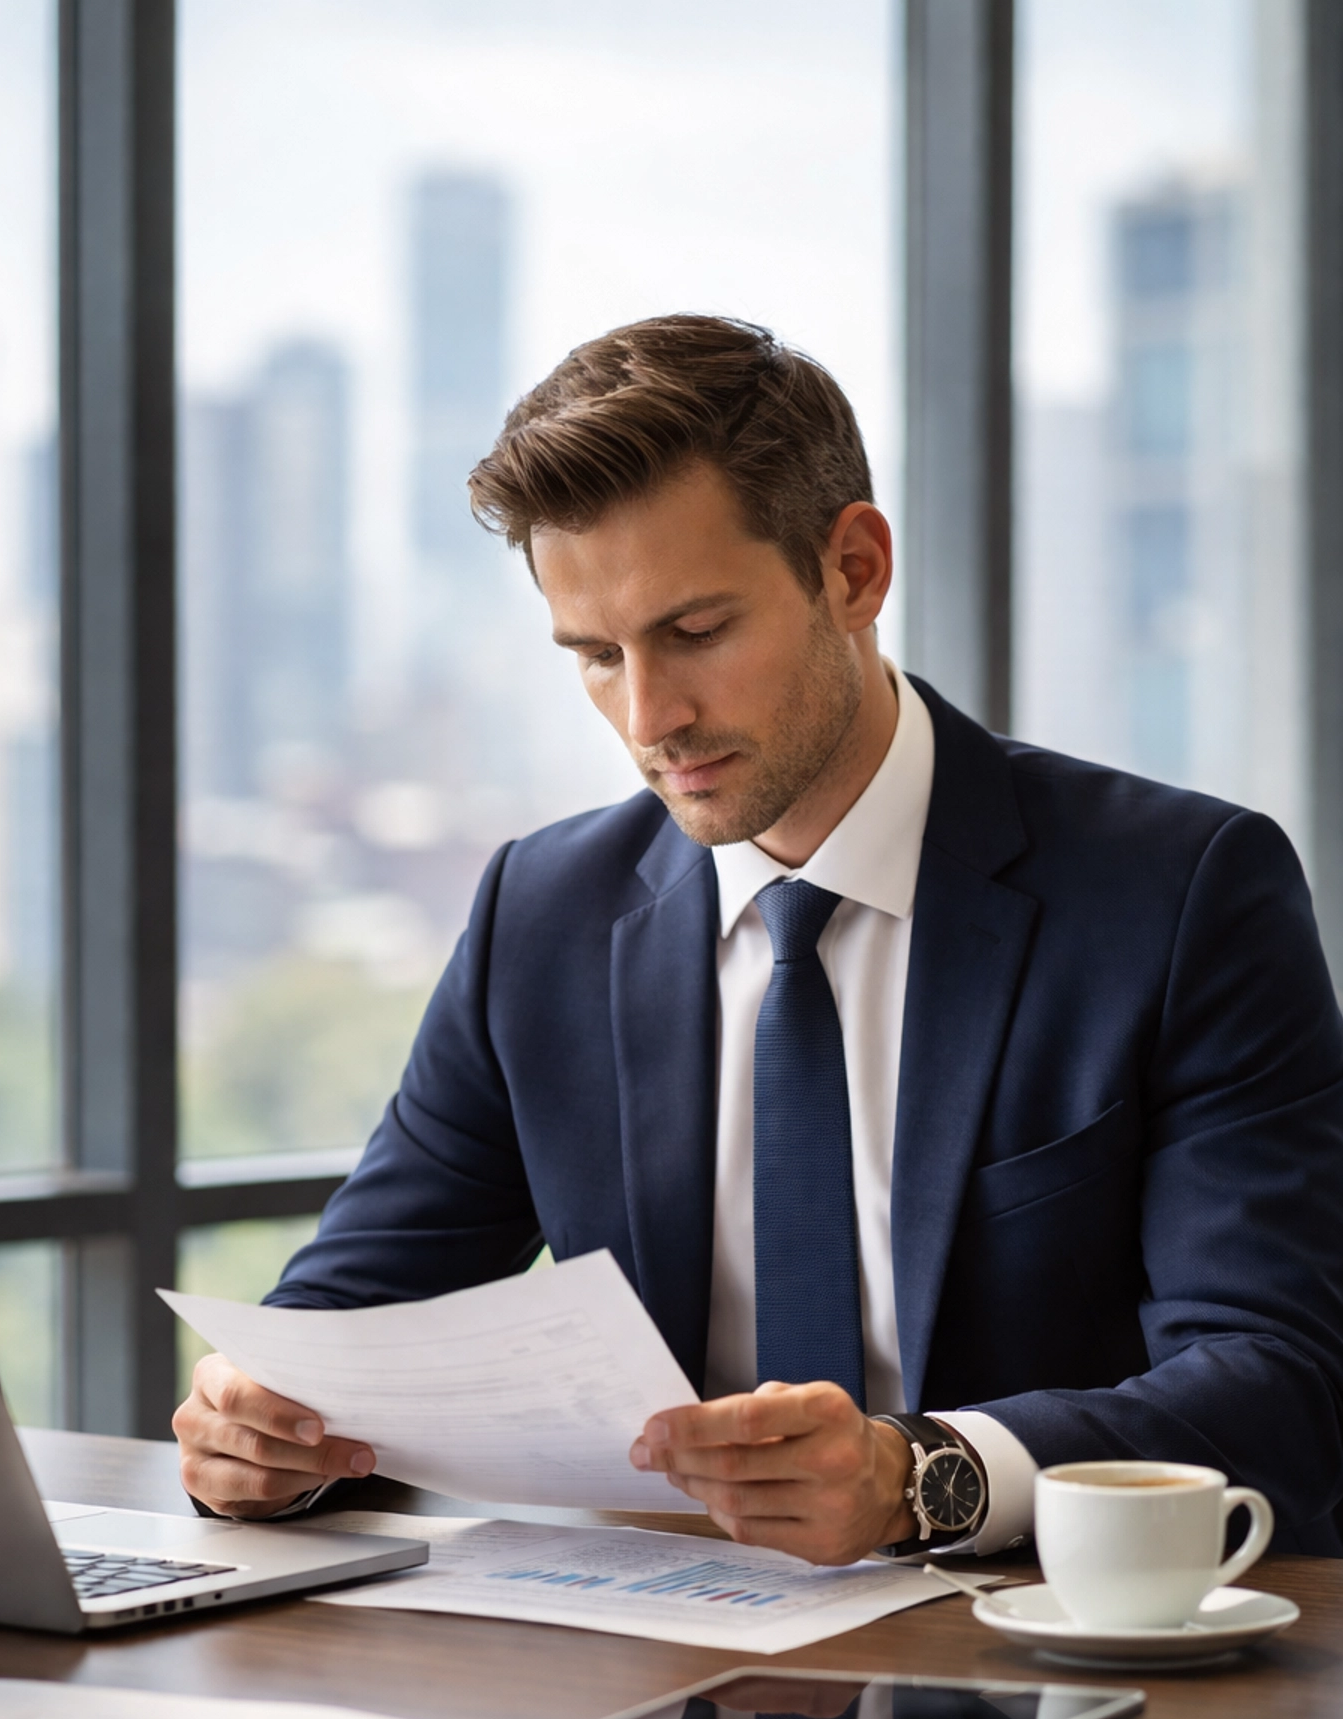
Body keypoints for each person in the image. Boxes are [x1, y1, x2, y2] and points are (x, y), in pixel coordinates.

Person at [174, 313, 1343, 1561]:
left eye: (695, 632)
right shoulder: (544, 915)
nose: (650, 716)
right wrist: (255, 1436)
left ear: (854, 570)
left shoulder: (1177, 894)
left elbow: (1283, 1386)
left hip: (1049, 1653)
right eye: (594, 657)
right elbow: (345, 1321)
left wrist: (919, 1476)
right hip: (666, 1664)